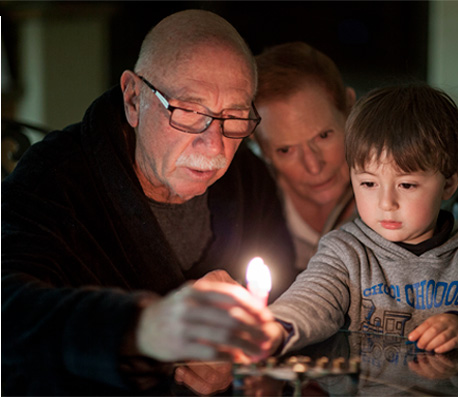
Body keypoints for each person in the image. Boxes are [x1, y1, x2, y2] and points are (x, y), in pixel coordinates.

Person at [1, 10, 295, 396]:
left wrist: (243, 358)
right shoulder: (54, 179)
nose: (215, 145)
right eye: (189, 112)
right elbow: (11, 311)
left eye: (235, 118)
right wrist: (145, 329)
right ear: (134, 99)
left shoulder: (248, 178)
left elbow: (287, 297)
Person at [264, 84, 458, 358]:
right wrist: (275, 327)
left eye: (406, 185)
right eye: (369, 183)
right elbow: (309, 300)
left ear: (449, 183)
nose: (385, 203)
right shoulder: (343, 253)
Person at [253, 41, 458, 272]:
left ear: (349, 107)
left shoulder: (421, 186)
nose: (313, 166)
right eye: (285, 150)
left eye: (324, 136)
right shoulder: (253, 204)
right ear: (258, 144)